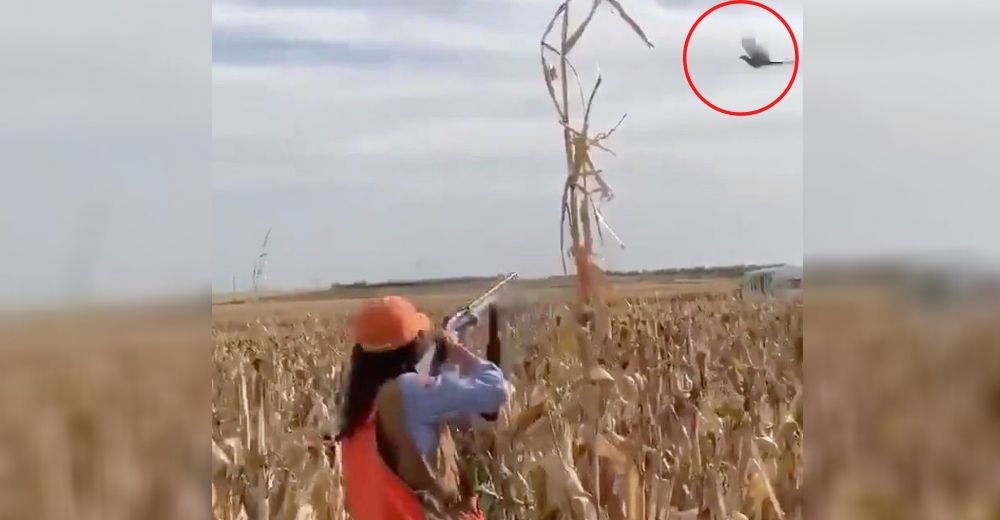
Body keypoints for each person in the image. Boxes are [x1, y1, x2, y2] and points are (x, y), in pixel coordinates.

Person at [336, 295, 510, 519]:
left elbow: (457, 413)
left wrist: (441, 366)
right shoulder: (411, 391)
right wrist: (458, 353)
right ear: (412, 345)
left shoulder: (356, 412)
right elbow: (496, 391)